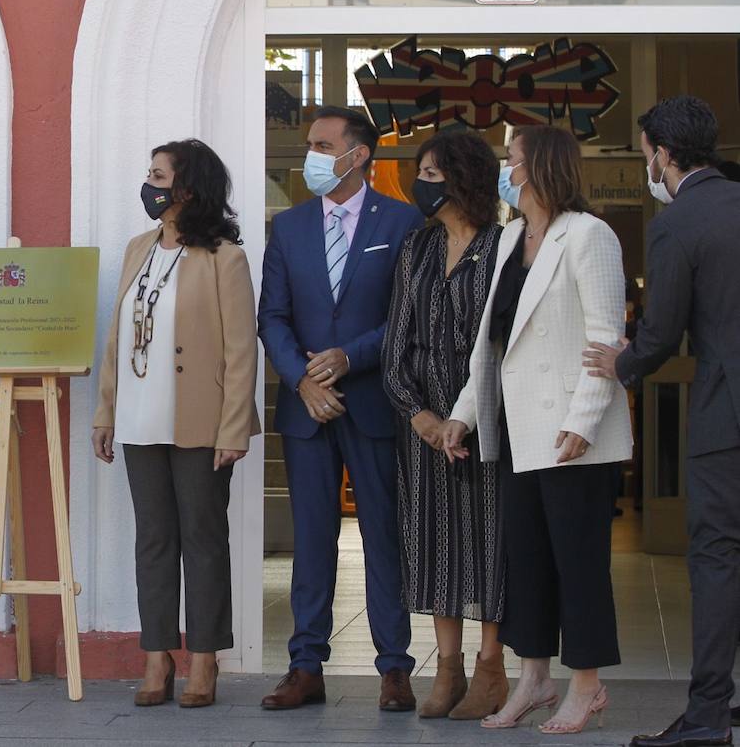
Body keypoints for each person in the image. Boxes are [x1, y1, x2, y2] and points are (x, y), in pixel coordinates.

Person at [442, 124, 630, 734]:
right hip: (519, 430)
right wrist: (463, 414)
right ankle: (534, 679)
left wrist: (584, 421)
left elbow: (606, 337)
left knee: (578, 564)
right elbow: (491, 344)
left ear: (541, 166)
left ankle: (587, 686)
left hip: (573, 433)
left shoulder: (590, 235)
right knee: (525, 562)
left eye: (513, 158)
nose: (506, 168)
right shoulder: (512, 238)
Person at [583, 97, 740, 747]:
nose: (647, 162)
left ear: (664, 154)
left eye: (647, 150)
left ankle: (707, 715)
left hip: (725, 413)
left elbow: (663, 330)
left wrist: (623, 362)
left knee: (717, 557)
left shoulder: (678, 223)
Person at [257, 106, 424, 712]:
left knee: (383, 534)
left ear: (360, 156)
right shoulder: (290, 225)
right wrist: (304, 378)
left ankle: (395, 668)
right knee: (313, 540)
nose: (313, 157)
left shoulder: (403, 222)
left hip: (374, 403)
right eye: (311, 145)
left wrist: (347, 360)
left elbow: (406, 317)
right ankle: (305, 667)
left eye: (324, 146)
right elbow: (270, 316)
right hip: (307, 409)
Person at [91, 139, 260, 709]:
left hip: (200, 423)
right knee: (153, 541)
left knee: (204, 542)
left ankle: (206, 657)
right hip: (138, 419)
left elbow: (242, 351)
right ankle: (157, 654)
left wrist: (234, 429)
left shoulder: (224, 258)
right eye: (150, 174)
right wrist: (106, 412)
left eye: (159, 175)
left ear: (187, 188)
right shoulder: (138, 248)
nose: (150, 183)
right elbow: (117, 339)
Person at [380, 128, 507, 720]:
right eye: (422, 174)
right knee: (432, 543)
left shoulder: (505, 248)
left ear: (464, 180)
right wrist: (423, 417)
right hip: (425, 427)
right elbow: (395, 344)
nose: (422, 185)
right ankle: (447, 670)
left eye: (434, 175)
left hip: (488, 423)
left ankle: (490, 669)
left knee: (488, 543)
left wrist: (464, 418)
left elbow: (510, 346)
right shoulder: (418, 248)